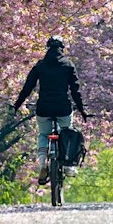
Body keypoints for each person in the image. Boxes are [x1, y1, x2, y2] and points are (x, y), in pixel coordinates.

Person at [12, 36, 87, 184]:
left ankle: (42, 164)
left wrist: (17, 104)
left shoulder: (40, 65)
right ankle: (68, 166)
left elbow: (28, 87)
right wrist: (82, 110)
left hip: (44, 108)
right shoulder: (68, 65)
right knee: (66, 132)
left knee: (43, 134)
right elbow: (75, 90)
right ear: (62, 48)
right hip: (63, 107)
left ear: (47, 48)